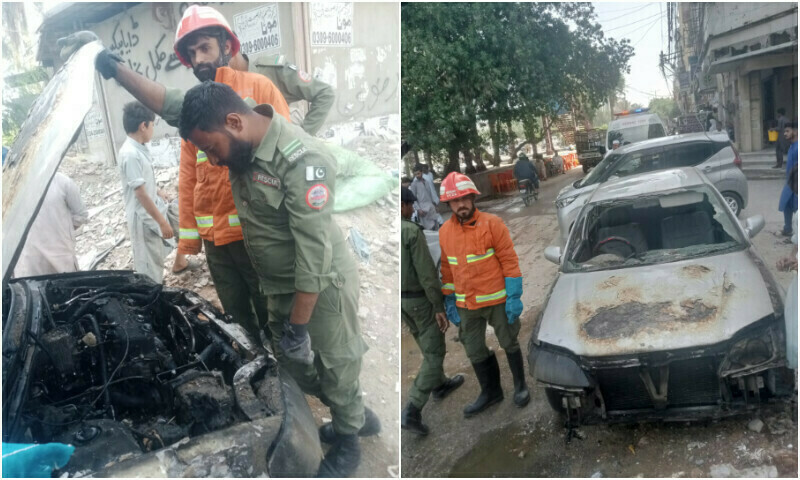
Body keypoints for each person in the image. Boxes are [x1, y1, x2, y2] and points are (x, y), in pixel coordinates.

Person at [57, 7, 292, 342]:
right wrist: (190, 237)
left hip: (255, 239)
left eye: (205, 48)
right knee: (238, 318)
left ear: (227, 45)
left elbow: (286, 161)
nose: (198, 60)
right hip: (217, 245)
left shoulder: (259, 89)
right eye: (192, 53)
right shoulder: (196, 108)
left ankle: (284, 376)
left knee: (272, 314)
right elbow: (189, 180)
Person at [178, 81, 377, 477]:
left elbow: (313, 256)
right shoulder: (244, 136)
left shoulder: (303, 161)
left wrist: (299, 325)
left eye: (212, 150)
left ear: (234, 122)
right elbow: (170, 104)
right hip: (281, 285)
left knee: (336, 360)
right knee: (294, 364)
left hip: (321, 284)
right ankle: (351, 409)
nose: (213, 162)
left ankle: (349, 434)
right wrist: (112, 68)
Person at [437, 172, 529, 418]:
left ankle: (520, 386)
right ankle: (491, 392)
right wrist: (449, 299)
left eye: (464, 198)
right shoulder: (445, 232)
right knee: (474, 348)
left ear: (472, 197)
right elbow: (447, 268)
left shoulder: (492, 224)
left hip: (498, 301)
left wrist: (514, 296)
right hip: (467, 304)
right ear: (448, 204)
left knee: (509, 341)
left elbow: (509, 261)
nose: (461, 205)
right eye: (455, 201)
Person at [400, 187, 464, 435]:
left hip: (403, 303)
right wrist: (439, 307)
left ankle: (439, 384)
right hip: (420, 301)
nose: (412, 210)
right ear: (404, 205)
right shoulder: (410, 232)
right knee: (435, 351)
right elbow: (427, 274)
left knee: (425, 342)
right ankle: (412, 409)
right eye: (410, 205)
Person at [118, 101, 187, 283]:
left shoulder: (137, 149)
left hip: (149, 214)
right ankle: (151, 303)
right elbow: (140, 194)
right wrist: (162, 222)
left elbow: (140, 182)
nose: (153, 129)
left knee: (156, 259)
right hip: (144, 219)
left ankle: (177, 266)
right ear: (143, 126)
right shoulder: (131, 154)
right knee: (149, 270)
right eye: (153, 125)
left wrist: (157, 190)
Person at [229, 51, 335, 135]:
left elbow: (325, 93)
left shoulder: (273, 71)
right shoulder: (222, 84)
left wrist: (303, 135)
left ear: (229, 48)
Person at [14, 173, 88, 277]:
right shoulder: (11, 189)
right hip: (32, 263)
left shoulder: (62, 182)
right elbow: (81, 216)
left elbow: (81, 215)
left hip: (54, 261)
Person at [779, 122, 798, 237]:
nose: (785, 134)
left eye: (788, 131)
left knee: (796, 208)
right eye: (784, 131)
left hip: (796, 183)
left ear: (795, 131)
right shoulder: (792, 145)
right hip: (790, 182)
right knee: (786, 205)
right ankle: (787, 229)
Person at [410, 164, 439, 230]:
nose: (417, 176)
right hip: (423, 209)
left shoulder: (427, 182)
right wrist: (418, 209)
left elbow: (430, 195)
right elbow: (413, 198)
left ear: (422, 172)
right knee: (428, 229)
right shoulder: (414, 184)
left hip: (431, 207)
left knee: (435, 226)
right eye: (415, 174)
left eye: (418, 173)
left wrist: (435, 205)